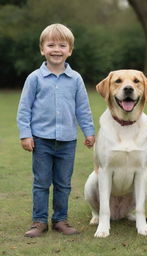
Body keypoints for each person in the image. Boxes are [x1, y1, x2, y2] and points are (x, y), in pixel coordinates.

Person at [17, 23, 95, 238]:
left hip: (67, 142)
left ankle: (60, 219)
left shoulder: (76, 79)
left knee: (63, 183)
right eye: (51, 44)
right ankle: (39, 221)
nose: (56, 49)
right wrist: (26, 134)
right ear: (42, 49)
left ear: (69, 50)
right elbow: (24, 109)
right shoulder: (34, 78)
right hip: (40, 140)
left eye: (62, 45)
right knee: (41, 182)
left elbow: (83, 109)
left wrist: (89, 132)